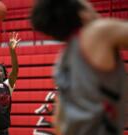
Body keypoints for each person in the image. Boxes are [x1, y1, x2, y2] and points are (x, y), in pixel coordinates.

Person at [31, 0, 128, 135]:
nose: (93, 6)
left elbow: (59, 119)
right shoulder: (98, 32)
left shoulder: (61, 62)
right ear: (83, 14)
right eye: (88, 3)